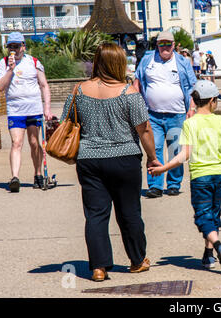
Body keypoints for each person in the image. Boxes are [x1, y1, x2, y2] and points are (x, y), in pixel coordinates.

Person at [60, 42, 161, 282]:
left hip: (90, 159)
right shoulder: (129, 93)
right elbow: (144, 129)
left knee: (96, 214)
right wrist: (153, 157)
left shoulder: (79, 90)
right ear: (119, 63)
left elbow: (66, 120)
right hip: (124, 159)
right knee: (129, 213)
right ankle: (137, 260)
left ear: (97, 62)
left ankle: (98, 267)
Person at [148, 80, 221, 272]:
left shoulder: (189, 123)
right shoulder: (220, 121)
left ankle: (219, 246)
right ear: (212, 100)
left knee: (202, 216)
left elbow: (185, 154)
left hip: (200, 176)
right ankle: (208, 255)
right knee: (213, 214)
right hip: (219, 173)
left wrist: (164, 169)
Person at [134, 31, 197, 198]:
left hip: (177, 114)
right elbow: (137, 81)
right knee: (154, 149)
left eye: (168, 44)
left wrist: (191, 108)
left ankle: (174, 184)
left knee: (175, 149)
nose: (165, 47)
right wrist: (136, 105)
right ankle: (155, 185)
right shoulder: (147, 59)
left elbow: (192, 87)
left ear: (174, 45)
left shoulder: (182, 62)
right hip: (152, 114)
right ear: (157, 45)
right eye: (161, 43)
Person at [0, 32, 53, 192]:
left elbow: (44, 85)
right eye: (10, 47)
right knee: (16, 143)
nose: (13, 50)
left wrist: (47, 108)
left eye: (16, 46)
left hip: (33, 109)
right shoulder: (4, 63)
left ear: (23, 46)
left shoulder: (34, 62)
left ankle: (38, 174)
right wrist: (10, 70)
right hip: (15, 110)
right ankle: (15, 177)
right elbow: (0, 87)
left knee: (35, 143)